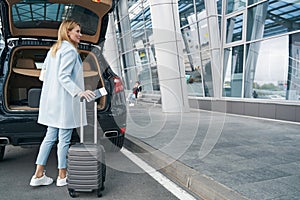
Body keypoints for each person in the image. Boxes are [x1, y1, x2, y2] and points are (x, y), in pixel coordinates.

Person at [29, 20, 96, 187]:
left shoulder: (54, 50)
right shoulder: (70, 52)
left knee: (50, 137)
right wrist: (79, 91)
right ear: (68, 32)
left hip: (52, 101)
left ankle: (38, 175)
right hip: (64, 102)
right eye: (77, 31)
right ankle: (62, 175)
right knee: (64, 139)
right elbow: (63, 77)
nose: (80, 34)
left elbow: (43, 76)